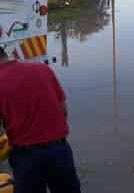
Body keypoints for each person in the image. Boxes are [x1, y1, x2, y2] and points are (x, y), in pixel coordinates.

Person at [0, 47, 81, 193]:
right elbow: (63, 111)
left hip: (26, 158)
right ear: (5, 54)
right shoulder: (42, 69)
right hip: (60, 151)